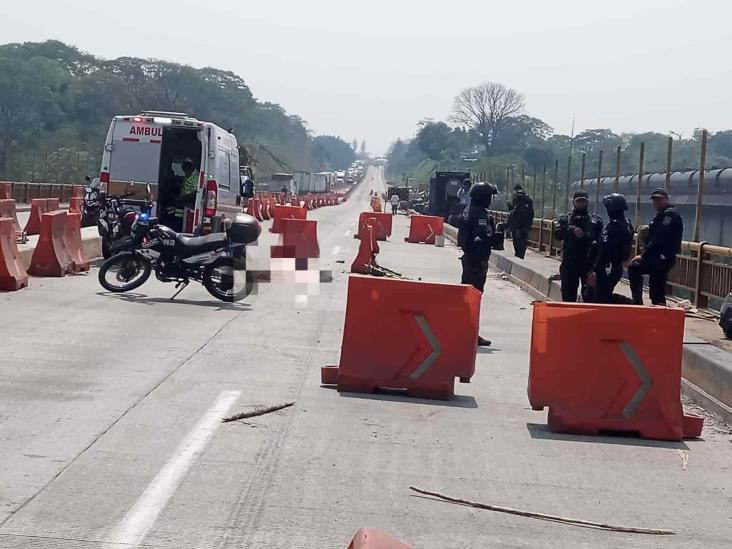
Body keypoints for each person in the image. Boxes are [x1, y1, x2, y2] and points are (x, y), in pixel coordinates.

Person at [457, 182, 498, 347]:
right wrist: (492, 238)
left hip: (469, 258)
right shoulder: (480, 214)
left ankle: (467, 331)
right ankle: (470, 333)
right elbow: (480, 238)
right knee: (474, 297)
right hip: (476, 260)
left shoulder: (468, 210)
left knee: (468, 297)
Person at [628, 188, 683, 305]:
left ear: (667, 199)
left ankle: (639, 303)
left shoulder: (670, 214)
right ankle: (647, 304)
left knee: (636, 268)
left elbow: (660, 238)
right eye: (654, 200)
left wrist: (643, 256)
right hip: (657, 257)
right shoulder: (661, 215)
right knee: (655, 285)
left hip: (663, 257)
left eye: (659, 200)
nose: (656, 203)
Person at [554, 190, 603, 302]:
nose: (581, 203)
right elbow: (557, 235)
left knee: (590, 296)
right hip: (570, 262)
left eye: (583, 201)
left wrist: (585, 235)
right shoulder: (566, 219)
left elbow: (600, 241)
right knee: (568, 295)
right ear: (574, 202)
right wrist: (571, 230)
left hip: (588, 262)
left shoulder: (595, 220)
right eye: (578, 201)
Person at [586, 193, 634, 304]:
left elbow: (604, 252)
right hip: (617, 266)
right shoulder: (627, 224)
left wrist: (595, 271)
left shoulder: (613, 227)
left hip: (607, 268)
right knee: (603, 296)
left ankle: (628, 303)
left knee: (598, 298)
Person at [507, 184, 534, 260]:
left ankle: (518, 255)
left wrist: (509, 208)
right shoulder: (528, 200)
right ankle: (521, 255)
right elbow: (531, 213)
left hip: (517, 225)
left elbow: (513, 212)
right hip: (526, 225)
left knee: (516, 241)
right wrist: (529, 225)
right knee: (524, 241)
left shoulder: (516, 198)